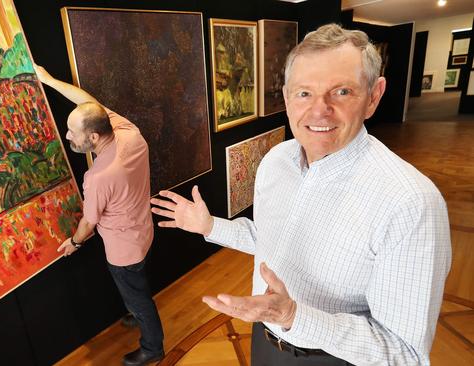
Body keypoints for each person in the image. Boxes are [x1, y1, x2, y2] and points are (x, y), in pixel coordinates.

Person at [150, 24, 451, 366]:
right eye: (304, 93)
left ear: (374, 96)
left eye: (341, 92)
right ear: (287, 97)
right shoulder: (276, 162)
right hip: (265, 340)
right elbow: (271, 242)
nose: (319, 110)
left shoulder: (411, 203)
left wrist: (294, 317)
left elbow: (406, 355)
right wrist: (209, 226)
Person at [33, 65, 164, 366]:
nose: (67, 137)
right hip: (142, 231)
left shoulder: (98, 177)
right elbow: (86, 101)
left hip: (123, 249)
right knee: (138, 288)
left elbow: (88, 223)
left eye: (72, 133)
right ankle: (138, 312)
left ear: (93, 137)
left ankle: (153, 349)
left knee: (138, 298)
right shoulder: (128, 132)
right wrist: (49, 81)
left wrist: (74, 243)